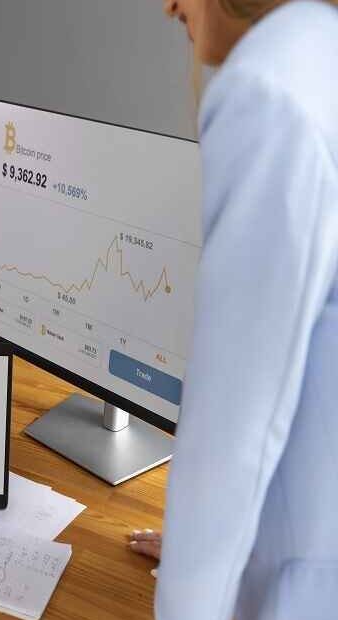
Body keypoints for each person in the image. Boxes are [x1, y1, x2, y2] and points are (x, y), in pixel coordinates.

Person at [128, 1, 338, 619]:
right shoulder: (323, 51)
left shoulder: (267, 92)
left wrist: (199, 573)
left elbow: (237, 429)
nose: (168, 6)